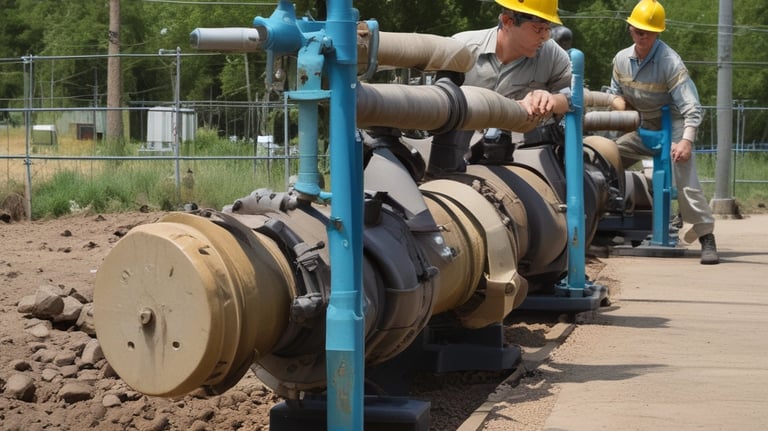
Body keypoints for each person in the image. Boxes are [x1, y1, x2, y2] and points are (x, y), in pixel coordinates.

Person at [609, 0, 719, 264]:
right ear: (630, 29)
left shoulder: (670, 62)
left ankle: (706, 236)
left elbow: (692, 107)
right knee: (605, 158)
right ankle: (607, 218)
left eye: (648, 31)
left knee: (684, 175)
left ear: (658, 33)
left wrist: (686, 141)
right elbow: (613, 95)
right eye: (637, 30)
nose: (642, 36)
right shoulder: (621, 60)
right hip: (643, 124)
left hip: (675, 124)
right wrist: (619, 108)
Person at [428, 0, 571, 172]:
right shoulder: (462, 48)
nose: (546, 36)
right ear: (507, 21)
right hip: (453, 149)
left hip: (523, 154)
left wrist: (550, 99)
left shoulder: (552, 55)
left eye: (548, 28)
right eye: (539, 29)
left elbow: (572, 98)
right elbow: (441, 105)